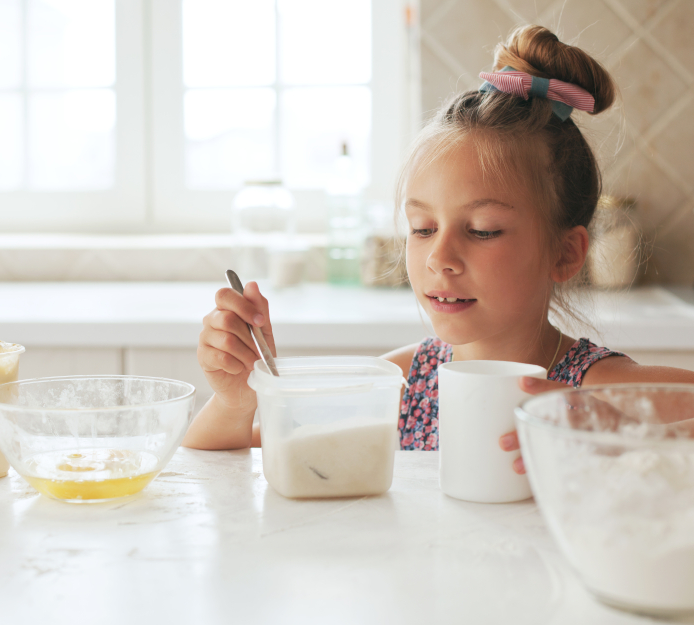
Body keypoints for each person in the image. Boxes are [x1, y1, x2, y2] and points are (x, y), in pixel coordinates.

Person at [183, 25, 694, 472]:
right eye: (423, 227)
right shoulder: (402, 386)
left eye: (483, 230)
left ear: (565, 253)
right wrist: (236, 402)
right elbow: (225, 459)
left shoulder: (600, 393)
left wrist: (638, 436)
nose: (438, 257)